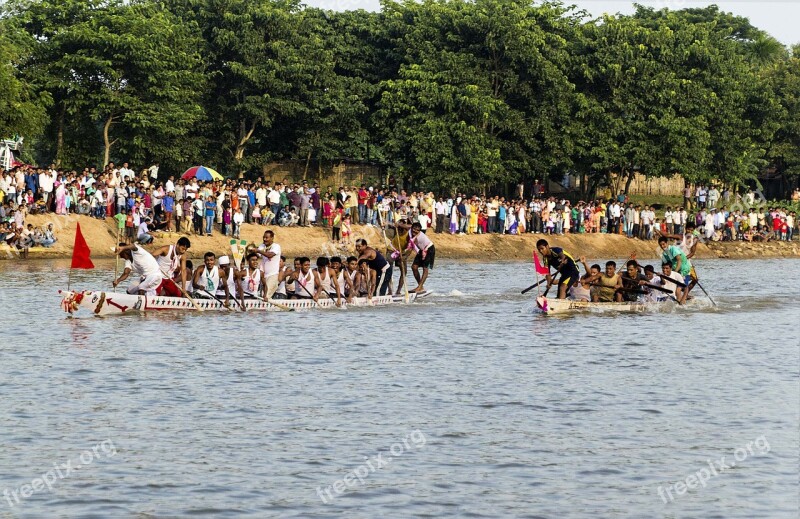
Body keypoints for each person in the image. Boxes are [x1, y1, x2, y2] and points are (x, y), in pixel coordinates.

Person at [408, 222, 435, 293]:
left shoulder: (418, 237)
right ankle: (421, 287)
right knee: (414, 267)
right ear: (411, 228)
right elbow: (405, 226)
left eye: (417, 230)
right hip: (421, 250)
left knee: (425, 269)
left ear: (419, 231)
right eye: (414, 229)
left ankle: (419, 287)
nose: (415, 231)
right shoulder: (410, 232)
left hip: (429, 249)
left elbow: (411, 248)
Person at [254, 230, 281, 300]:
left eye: (267, 238)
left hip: (273, 275)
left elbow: (270, 255)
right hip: (263, 276)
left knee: (266, 297)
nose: (264, 239)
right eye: (263, 237)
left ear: (272, 238)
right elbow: (257, 255)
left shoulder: (276, 246)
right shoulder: (262, 246)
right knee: (262, 296)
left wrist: (259, 251)